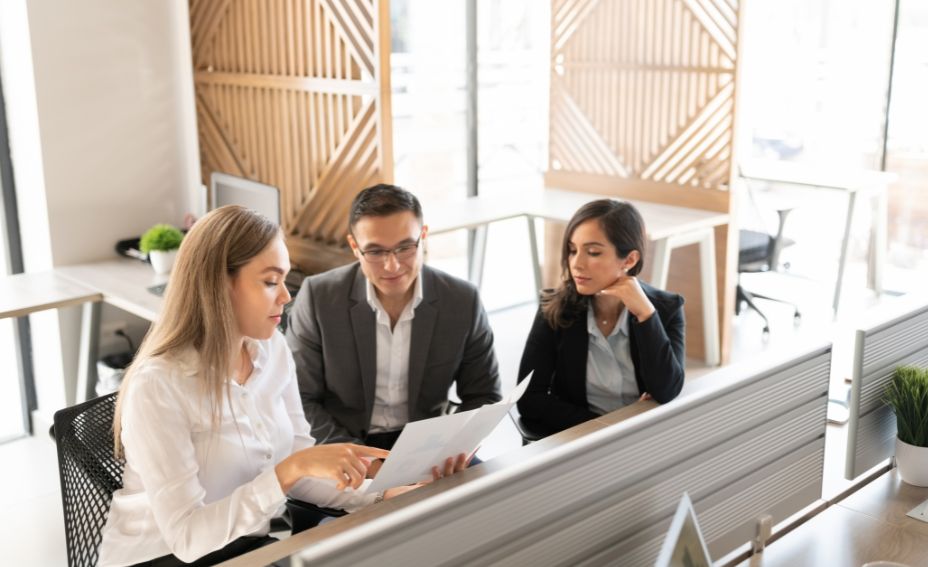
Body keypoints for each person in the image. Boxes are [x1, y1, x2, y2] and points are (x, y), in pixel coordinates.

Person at [99, 206, 413, 567]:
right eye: (269, 281)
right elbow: (186, 538)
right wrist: (288, 471)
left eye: (284, 280)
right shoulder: (158, 385)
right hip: (161, 557)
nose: (285, 296)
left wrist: (381, 495)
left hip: (243, 546)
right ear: (219, 285)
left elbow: (299, 465)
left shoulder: (272, 348)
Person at [286, 184, 501, 458]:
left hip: (429, 448)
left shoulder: (462, 300)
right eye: (375, 252)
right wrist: (358, 459)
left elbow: (484, 395)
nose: (393, 266)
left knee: (489, 496)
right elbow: (299, 399)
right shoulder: (318, 297)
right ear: (354, 246)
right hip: (342, 444)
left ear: (423, 236)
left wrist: (454, 447)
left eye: (405, 247)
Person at [516, 199, 685, 436]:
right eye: (573, 250)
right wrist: (609, 426)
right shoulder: (554, 309)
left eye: (593, 252)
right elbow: (528, 399)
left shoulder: (666, 310)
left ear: (629, 260)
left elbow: (668, 390)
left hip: (645, 440)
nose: (577, 263)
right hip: (580, 441)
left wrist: (646, 315)